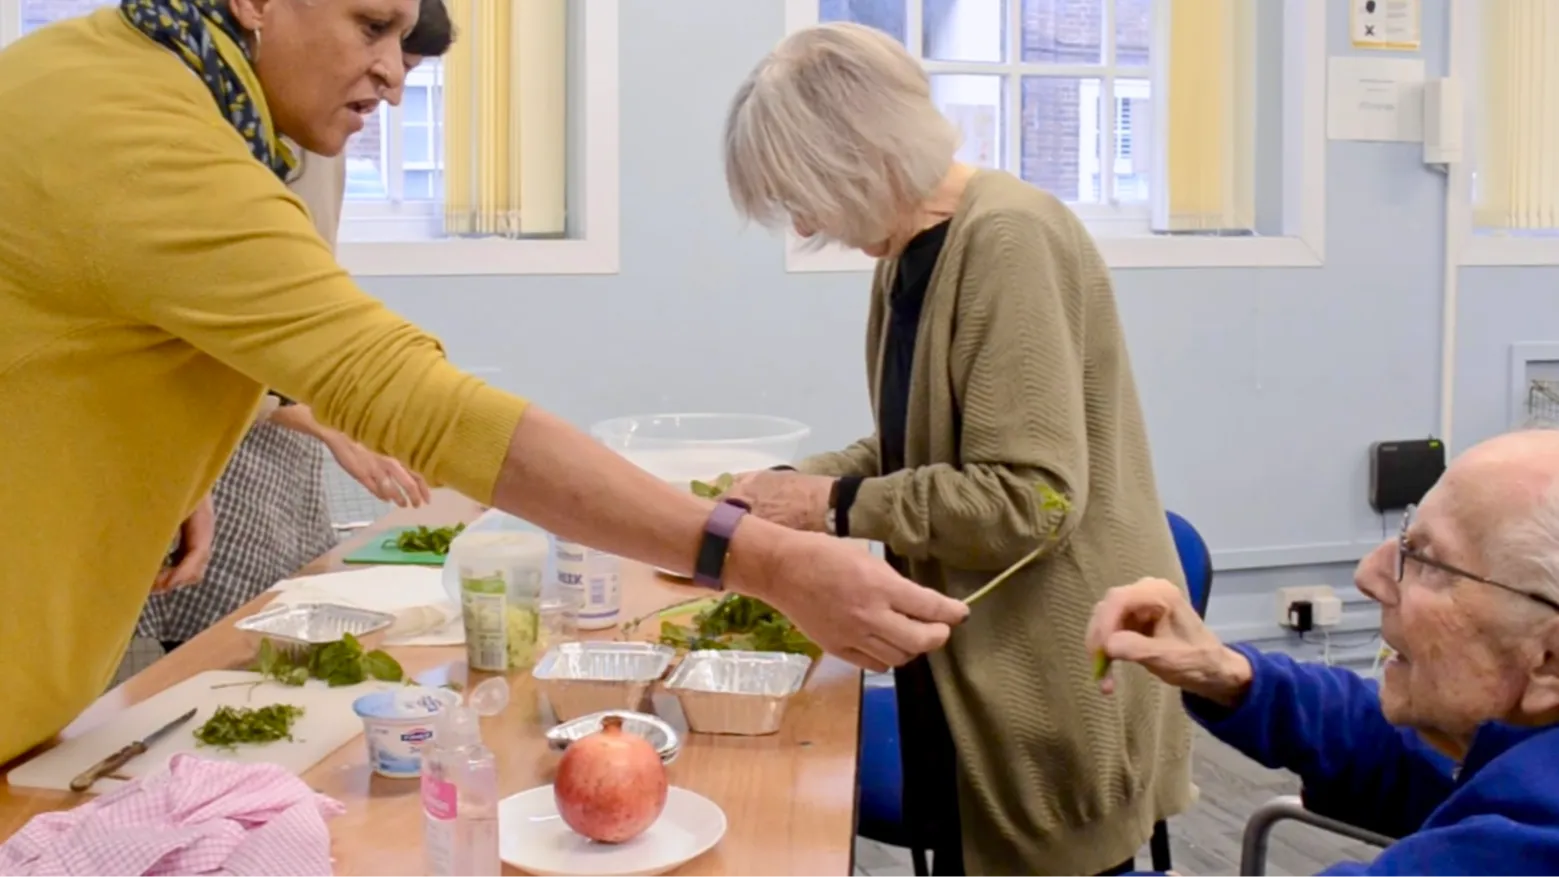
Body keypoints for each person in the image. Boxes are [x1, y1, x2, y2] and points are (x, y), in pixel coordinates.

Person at [0, 0, 969, 767]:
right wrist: (764, 559)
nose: (390, 68)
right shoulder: (149, 138)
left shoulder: (120, 86)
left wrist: (183, 464)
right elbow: (409, 395)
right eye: (370, 24)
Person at [720, 22, 1191, 877]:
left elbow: (1030, 498)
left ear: (860, 160)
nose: (802, 218)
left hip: (1050, 668)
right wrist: (791, 485)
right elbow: (920, 444)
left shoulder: (1009, 240)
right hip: (966, 655)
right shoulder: (905, 250)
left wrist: (830, 507)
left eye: (803, 193)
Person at [1089, 429, 1559, 876]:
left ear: (1548, 660)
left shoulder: (1525, 848)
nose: (1369, 574)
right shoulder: (1529, 747)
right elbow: (1404, 755)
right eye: (1405, 538)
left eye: (1428, 560)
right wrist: (1232, 674)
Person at [138, 1, 451, 656]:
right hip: (219, 429)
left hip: (241, 420)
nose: (392, 82)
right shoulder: (192, 124)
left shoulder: (311, 123)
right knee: (222, 660)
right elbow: (199, 331)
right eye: (373, 32)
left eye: (404, 54)